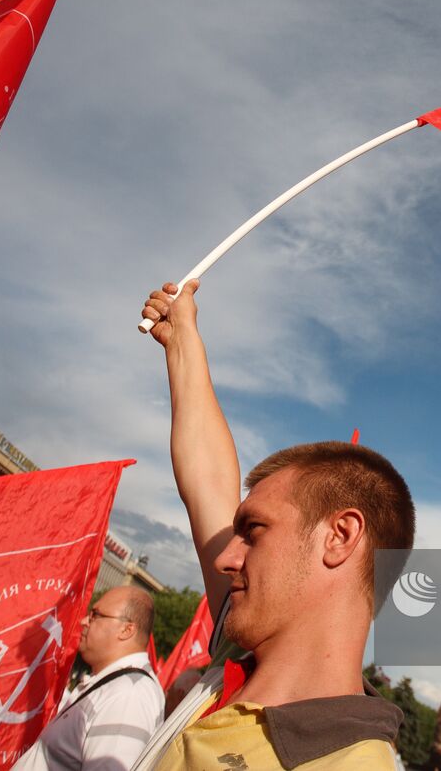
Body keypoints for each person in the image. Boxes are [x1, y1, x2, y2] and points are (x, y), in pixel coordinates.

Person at [134, 281, 414, 770]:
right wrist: (182, 340)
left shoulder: (348, 764)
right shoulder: (234, 661)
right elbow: (206, 481)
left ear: (339, 537)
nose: (224, 556)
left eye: (255, 530)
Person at [12, 585, 165, 771]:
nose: (85, 621)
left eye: (95, 615)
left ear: (126, 630)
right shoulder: (117, 685)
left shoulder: (128, 695)